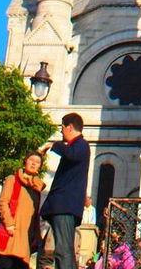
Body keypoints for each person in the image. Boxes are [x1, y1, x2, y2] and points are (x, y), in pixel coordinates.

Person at [40, 113, 91, 269]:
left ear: (69, 127)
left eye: (62, 128)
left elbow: (72, 155)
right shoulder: (77, 146)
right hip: (63, 207)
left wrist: (54, 145)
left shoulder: (81, 145)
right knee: (63, 249)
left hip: (64, 206)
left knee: (63, 249)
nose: (61, 132)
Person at [0, 152, 45, 269]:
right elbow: (3, 202)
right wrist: (9, 224)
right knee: (6, 263)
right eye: (31, 160)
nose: (33, 164)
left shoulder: (37, 187)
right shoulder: (13, 179)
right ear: (25, 162)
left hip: (27, 235)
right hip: (12, 231)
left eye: (37, 162)